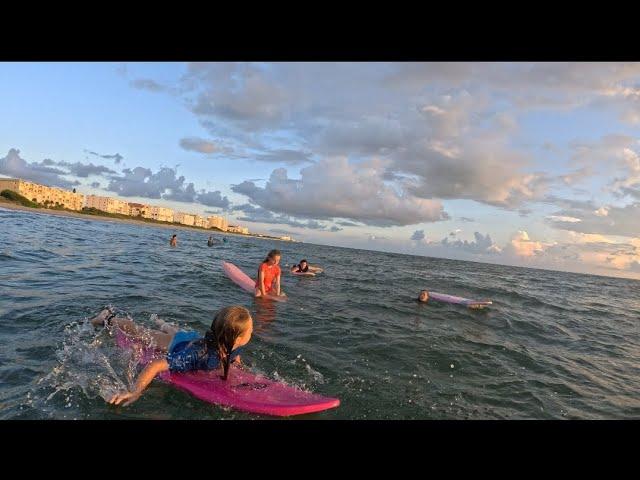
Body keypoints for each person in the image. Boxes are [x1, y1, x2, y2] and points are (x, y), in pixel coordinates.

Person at [90, 305, 253, 406]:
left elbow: (235, 357)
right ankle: (107, 318)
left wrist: (240, 368)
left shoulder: (233, 344)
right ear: (238, 338)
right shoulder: (196, 355)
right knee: (140, 333)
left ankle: (164, 325)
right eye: (250, 330)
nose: (252, 332)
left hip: (193, 339)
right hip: (177, 344)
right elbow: (155, 365)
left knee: (178, 333)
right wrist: (135, 391)